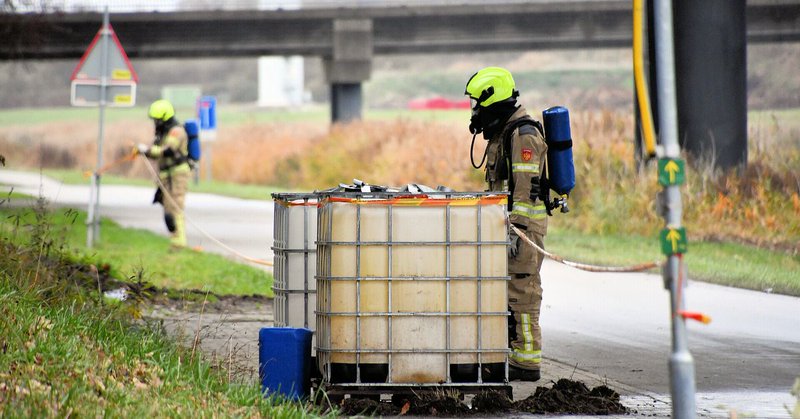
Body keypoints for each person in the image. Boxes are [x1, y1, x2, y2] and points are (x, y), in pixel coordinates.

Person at [465, 66, 547, 382]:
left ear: (494, 101)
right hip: (509, 230)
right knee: (506, 293)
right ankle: (510, 354)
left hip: (522, 233)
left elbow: (524, 190)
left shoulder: (523, 135)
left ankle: (526, 362)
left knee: (521, 293)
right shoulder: (506, 133)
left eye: (479, 105)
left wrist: (517, 230)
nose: (476, 112)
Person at [135, 99, 190, 249]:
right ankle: (175, 241)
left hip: (177, 175)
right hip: (166, 175)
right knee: (167, 210)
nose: (155, 123)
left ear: (164, 118)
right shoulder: (162, 134)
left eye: (157, 120)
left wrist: (146, 150)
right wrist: (142, 151)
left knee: (176, 207)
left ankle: (180, 242)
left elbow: (168, 150)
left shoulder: (176, 131)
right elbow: (156, 152)